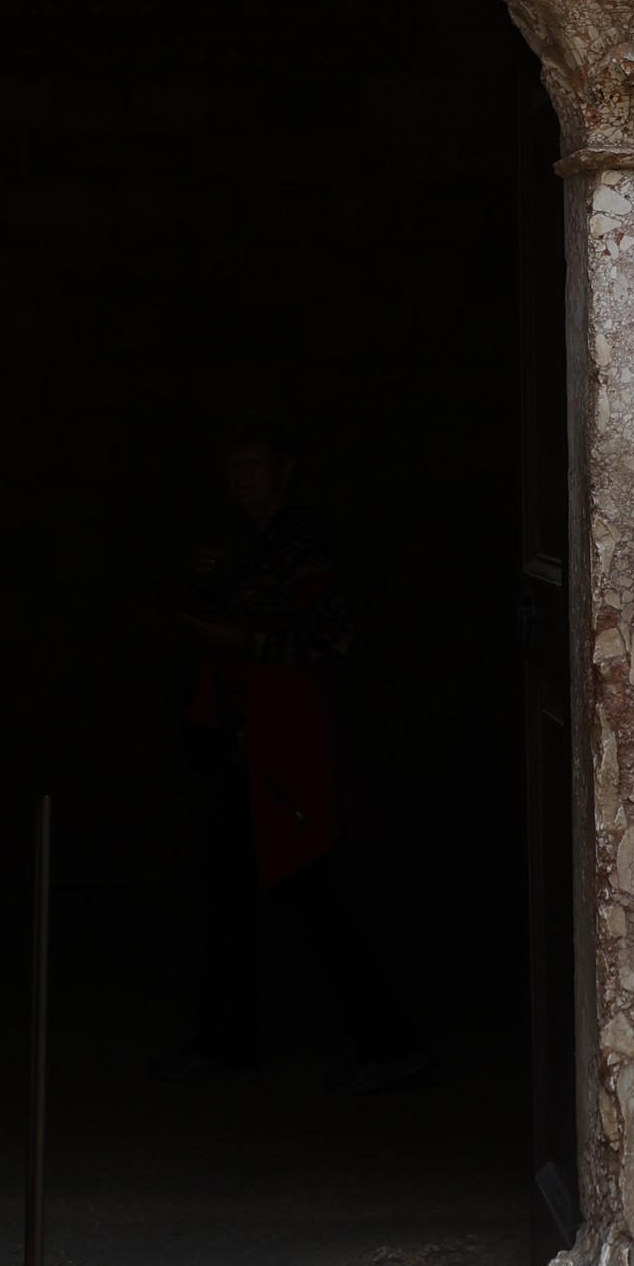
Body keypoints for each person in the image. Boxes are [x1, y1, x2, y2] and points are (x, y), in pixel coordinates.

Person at [167, 422, 428, 1091]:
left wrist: (234, 636)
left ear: (284, 470)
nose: (240, 477)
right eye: (232, 465)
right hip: (251, 743)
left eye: (252, 464)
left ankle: (389, 1042)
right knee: (238, 884)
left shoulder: (302, 543)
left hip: (291, 747)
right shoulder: (253, 544)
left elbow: (330, 639)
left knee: (310, 888)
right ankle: (230, 1044)